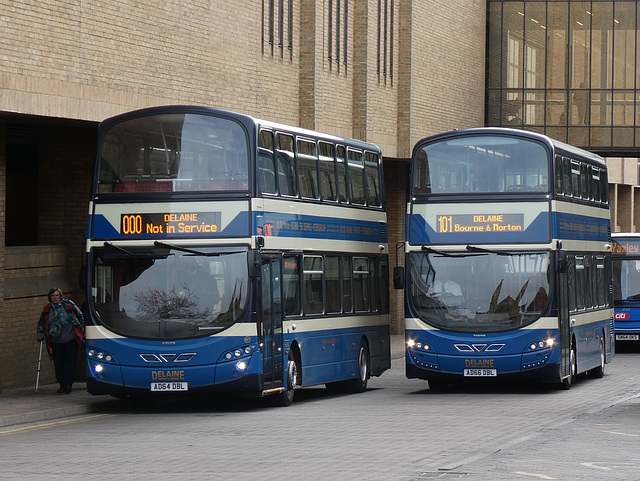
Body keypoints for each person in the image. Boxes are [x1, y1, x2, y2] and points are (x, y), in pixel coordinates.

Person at [36, 288, 85, 394]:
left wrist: (81, 328)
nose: (55, 297)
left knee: (70, 362)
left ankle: (68, 384)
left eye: (57, 295)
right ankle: (62, 384)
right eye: (53, 295)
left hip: (70, 340)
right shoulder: (47, 309)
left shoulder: (68, 305)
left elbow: (80, 315)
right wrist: (40, 335)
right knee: (59, 364)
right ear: (50, 297)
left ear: (60, 296)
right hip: (55, 342)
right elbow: (41, 323)